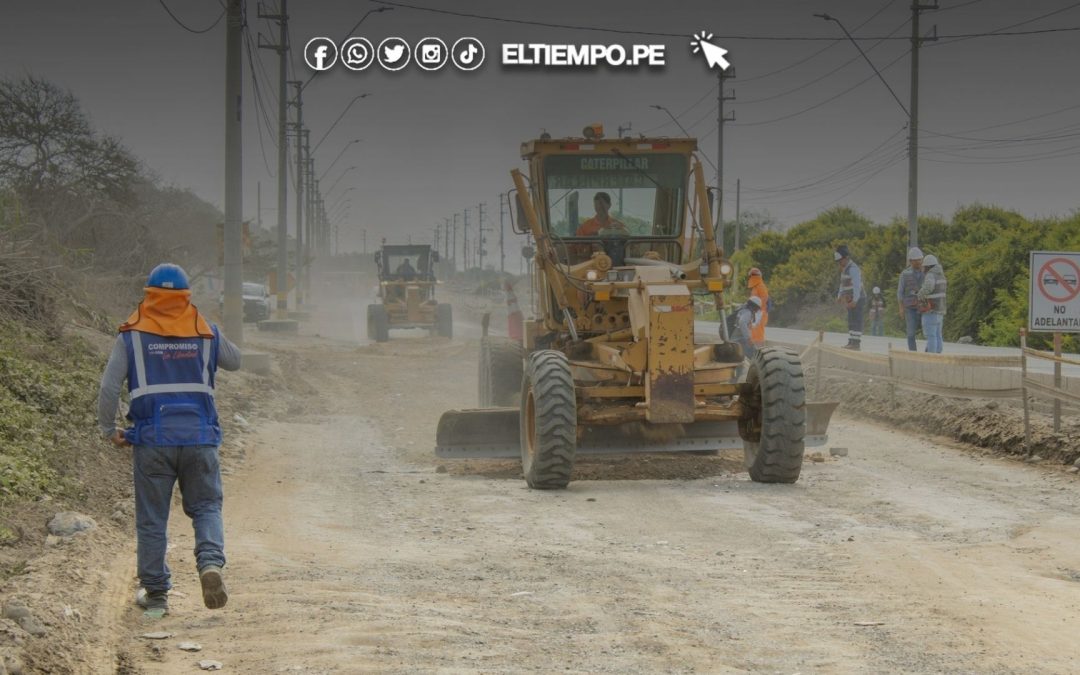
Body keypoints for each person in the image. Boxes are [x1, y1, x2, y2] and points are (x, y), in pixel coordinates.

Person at [97, 263, 240, 617]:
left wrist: (108, 429)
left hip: (152, 444)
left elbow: (109, 386)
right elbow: (235, 361)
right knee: (206, 507)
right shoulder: (205, 332)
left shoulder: (131, 336)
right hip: (200, 440)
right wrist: (203, 326)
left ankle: (157, 595)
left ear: (148, 295)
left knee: (152, 520)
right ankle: (209, 564)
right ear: (186, 296)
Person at [834, 244, 864, 350]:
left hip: (857, 298)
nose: (839, 263)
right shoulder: (844, 269)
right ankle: (851, 341)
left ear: (846, 258)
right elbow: (842, 284)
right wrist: (839, 295)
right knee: (851, 320)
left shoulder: (853, 268)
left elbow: (857, 286)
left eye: (840, 261)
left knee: (856, 320)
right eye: (838, 262)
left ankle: (856, 343)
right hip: (849, 299)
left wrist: (855, 300)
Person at [896, 247, 925, 351]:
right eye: (916, 260)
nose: (918, 262)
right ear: (911, 261)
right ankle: (913, 354)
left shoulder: (927, 272)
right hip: (910, 308)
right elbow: (900, 292)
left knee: (928, 332)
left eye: (920, 259)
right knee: (911, 334)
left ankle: (928, 353)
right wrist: (901, 308)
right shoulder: (905, 274)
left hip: (924, 307)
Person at [917, 253, 947, 353]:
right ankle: (938, 356)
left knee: (931, 336)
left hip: (931, 310)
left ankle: (931, 357)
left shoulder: (930, 275)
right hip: (940, 311)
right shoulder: (941, 275)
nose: (923, 268)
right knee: (938, 335)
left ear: (928, 266)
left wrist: (919, 294)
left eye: (924, 266)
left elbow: (928, 288)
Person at [732, 296, 763, 360]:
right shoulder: (747, 312)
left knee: (741, 358)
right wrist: (748, 338)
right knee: (756, 355)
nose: (757, 310)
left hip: (736, 339)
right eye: (757, 308)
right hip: (739, 339)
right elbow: (742, 322)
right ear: (754, 306)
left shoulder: (743, 310)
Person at [747, 268, 769, 350]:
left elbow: (764, 298)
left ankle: (761, 351)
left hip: (760, 313)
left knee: (758, 334)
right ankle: (756, 351)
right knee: (754, 333)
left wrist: (757, 308)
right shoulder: (756, 287)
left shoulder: (760, 286)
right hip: (756, 313)